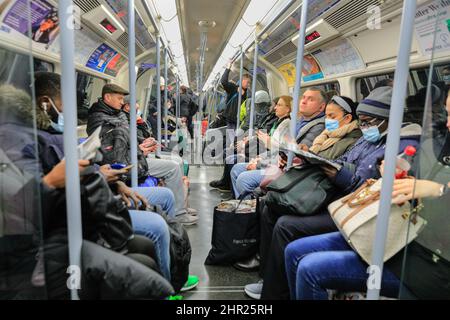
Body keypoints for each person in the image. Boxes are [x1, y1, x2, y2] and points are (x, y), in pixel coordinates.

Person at [244, 87, 422, 300]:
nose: (364, 126)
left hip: (355, 207)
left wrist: (334, 172)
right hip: (340, 196)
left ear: (387, 120)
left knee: (285, 225)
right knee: (270, 205)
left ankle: (274, 292)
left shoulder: (400, 146)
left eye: (368, 121)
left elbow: (365, 186)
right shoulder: (368, 138)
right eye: (362, 121)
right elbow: (346, 161)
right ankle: (270, 280)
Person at [284, 88, 450, 300]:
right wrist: (400, 177)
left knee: (310, 267)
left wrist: (439, 190)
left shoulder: (409, 141)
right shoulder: (435, 146)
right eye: (447, 113)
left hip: (421, 263)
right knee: (294, 250)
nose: (447, 123)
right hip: (396, 233)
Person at [87, 84, 198, 225]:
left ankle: (181, 206)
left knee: (176, 162)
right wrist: (139, 150)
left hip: (135, 155)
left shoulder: (117, 114)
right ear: (107, 97)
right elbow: (111, 153)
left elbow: (128, 136)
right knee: (173, 167)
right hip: (127, 162)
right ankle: (179, 213)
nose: (122, 102)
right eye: (120, 98)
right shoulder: (99, 119)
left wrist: (143, 141)